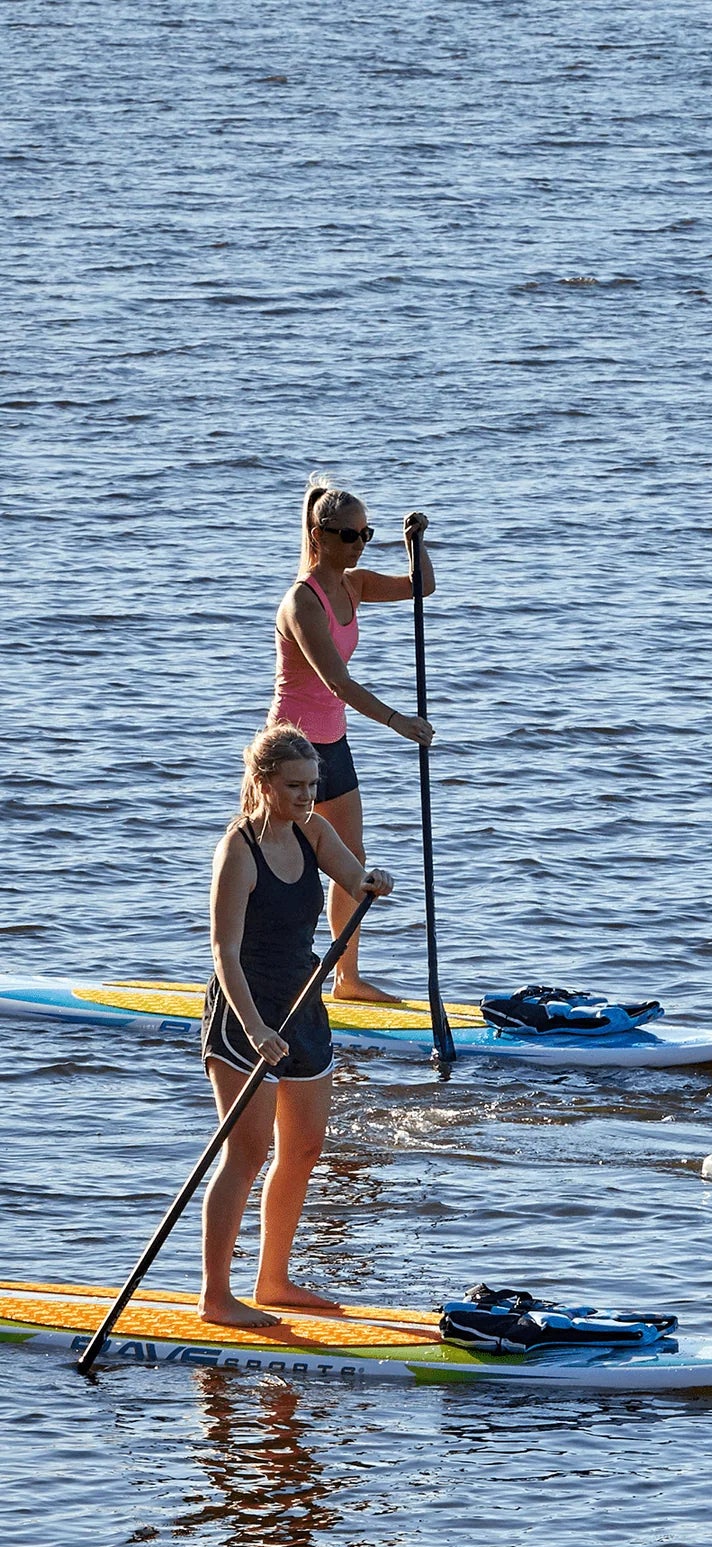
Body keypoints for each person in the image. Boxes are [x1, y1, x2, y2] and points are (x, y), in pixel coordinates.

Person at [199, 722, 393, 1326]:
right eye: (295, 786)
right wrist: (255, 1028)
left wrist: (370, 882)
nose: (308, 796)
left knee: (305, 1147)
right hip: (245, 1013)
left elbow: (349, 874)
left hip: (304, 1002)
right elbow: (224, 955)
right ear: (263, 783)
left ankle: (273, 1280)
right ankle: (215, 1296)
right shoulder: (238, 850)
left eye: (313, 784)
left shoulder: (311, 829)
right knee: (247, 1152)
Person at [271, 476, 433, 1003]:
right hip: (290, 749)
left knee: (352, 863)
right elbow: (335, 680)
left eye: (366, 533)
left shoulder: (355, 584)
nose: (359, 544)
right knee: (279, 866)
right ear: (319, 536)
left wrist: (416, 545)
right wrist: (397, 721)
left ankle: (347, 979)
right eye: (348, 535)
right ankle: (261, 974)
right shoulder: (302, 601)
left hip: (334, 745)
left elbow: (420, 587)